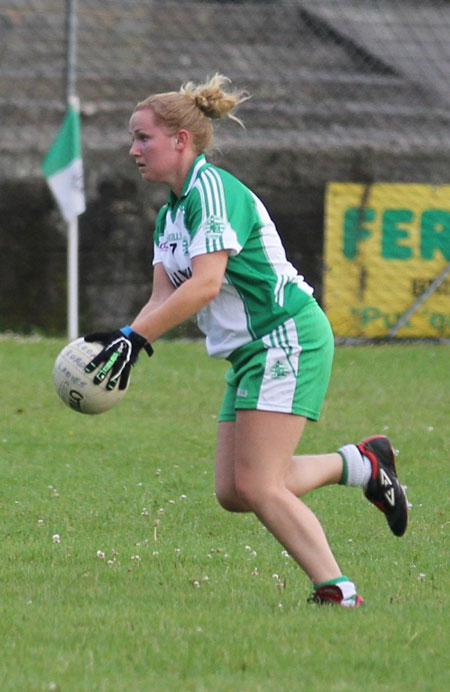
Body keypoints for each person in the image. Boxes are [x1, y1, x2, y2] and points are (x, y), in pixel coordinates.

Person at [84, 74, 408, 608]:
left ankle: (338, 590)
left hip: (287, 338)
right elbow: (162, 297)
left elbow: (208, 284)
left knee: (260, 487)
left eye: (143, 137)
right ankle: (364, 464)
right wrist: (122, 345)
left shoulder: (213, 191)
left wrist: (134, 339)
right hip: (253, 351)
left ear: (181, 141)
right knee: (235, 492)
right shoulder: (171, 213)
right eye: (133, 138)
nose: (133, 149)